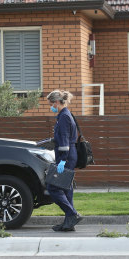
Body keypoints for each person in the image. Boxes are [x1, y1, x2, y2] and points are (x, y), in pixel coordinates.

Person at [47, 90, 83, 232]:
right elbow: (63, 138)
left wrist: (62, 160)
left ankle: (72, 214)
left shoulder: (64, 117)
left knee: (53, 187)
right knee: (66, 188)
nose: (51, 107)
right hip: (68, 155)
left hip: (66, 157)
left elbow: (64, 142)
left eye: (51, 104)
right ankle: (69, 222)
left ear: (56, 102)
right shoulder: (65, 115)